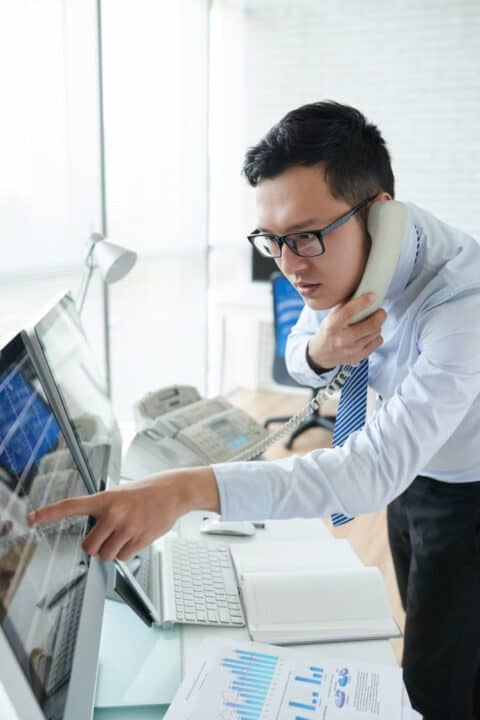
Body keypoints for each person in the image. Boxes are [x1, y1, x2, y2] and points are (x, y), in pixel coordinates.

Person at [29, 101, 480, 720]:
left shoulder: (463, 306)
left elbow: (370, 474)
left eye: (304, 237)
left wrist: (183, 490)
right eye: (274, 241)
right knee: (417, 614)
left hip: (468, 489)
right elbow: (298, 352)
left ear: (379, 213)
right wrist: (323, 349)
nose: (291, 264)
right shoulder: (347, 253)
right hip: (411, 467)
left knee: (437, 678)